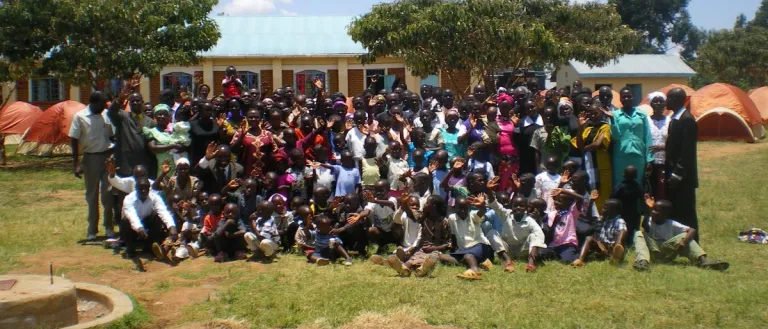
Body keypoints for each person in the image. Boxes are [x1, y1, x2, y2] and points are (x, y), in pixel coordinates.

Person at [69, 91, 116, 240]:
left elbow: (112, 135)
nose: (105, 106)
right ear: (94, 103)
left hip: (107, 156)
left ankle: (109, 227)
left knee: (108, 194)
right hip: (90, 158)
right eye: (103, 103)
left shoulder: (106, 114)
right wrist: (76, 163)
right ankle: (92, 230)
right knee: (92, 195)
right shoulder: (80, 117)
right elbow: (74, 140)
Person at [632, 199, 728, 272]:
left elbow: (692, 230)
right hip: (653, 251)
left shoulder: (672, 223)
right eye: (653, 209)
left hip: (668, 252)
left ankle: (703, 261)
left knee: (684, 236)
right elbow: (644, 225)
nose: (653, 212)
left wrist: (683, 242)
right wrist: (648, 210)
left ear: (665, 215)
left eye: (656, 210)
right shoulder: (650, 221)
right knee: (639, 233)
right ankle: (643, 261)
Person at [486, 177, 546, 273]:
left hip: (523, 251)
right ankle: (507, 261)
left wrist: (534, 251)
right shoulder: (506, 214)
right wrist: (489, 191)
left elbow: (539, 234)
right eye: (515, 205)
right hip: (507, 250)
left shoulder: (529, 220)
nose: (518, 208)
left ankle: (531, 263)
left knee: (535, 234)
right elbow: (495, 205)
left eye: (521, 206)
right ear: (511, 206)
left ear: (526, 208)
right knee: (492, 232)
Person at [121, 178, 178, 271]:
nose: (143, 191)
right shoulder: (129, 199)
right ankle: (130, 249)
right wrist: (139, 228)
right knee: (125, 220)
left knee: (156, 215)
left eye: (146, 188)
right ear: (136, 188)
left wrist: (172, 227)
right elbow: (131, 215)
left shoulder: (155, 197)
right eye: (141, 188)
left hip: (146, 223)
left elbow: (163, 212)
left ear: (149, 189)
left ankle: (148, 246)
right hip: (133, 226)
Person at [665, 88, 699, 239]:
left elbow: (687, 153)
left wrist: (677, 174)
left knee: (687, 212)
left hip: (683, 177)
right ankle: (678, 242)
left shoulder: (687, 120)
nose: (666, 101)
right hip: (673, 173)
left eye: (669, 98)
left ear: (677, 100)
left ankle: (693, 244)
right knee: (676, 211)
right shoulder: (675, 118)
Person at [387, 195, 447, 278]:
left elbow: (448, 243)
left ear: (433, 207)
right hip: (423, 249)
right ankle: (404, 269)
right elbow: (412, 213)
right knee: (414, 258)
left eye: (426, 203)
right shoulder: (423, 218)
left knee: (430, 258)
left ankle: (422, 270)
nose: (424, 205)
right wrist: (404, 205)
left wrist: (433, 248)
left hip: (435, 249)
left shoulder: (444, 222)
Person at [610, 87, 653, 187]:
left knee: (638, 184)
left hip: (638, 156)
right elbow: (615, 137)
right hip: (621, 155)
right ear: (620, 99)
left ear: (633, 97)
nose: (626, 99)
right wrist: (612, 121)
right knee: (620, 184)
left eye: (629, 96)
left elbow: (647, 137)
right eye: (624, 97)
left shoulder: (641, 115)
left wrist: (649, 158)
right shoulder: (615, 115)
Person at [445, 195, 494, 281]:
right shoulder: (452, 218)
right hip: (463, 250)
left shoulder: (473, 215)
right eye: (460, 208)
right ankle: (477, 262)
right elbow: (453, 235)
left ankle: (475, 270)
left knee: (468, 256)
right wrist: (453, 249)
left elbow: (481, 212)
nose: (463, 211)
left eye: (465, 208)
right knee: (442, 257)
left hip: (481, 246)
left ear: (470, 208)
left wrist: (482, 206)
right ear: (454, 208)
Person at [575, 102, 612, 210]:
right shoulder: (587, 129)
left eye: (595, 113)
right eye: (590, 114)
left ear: (602, 113)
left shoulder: (606, 127)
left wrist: (585, 148)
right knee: (590, 191)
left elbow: (598, 144)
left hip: (602, 166)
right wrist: (580, 128)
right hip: (588, 166)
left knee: (602, 192)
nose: (592, 116)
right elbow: (579, 145)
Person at [571, 198, 627, 267]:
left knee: (619, 233)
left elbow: (623, 230)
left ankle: (617, 252)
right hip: (602, 247)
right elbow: (590, 217)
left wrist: (618, 243)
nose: (602, 209)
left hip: (612, 247)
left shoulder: (619, 221)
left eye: (605, 208)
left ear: (613, 211)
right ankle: (580, 260)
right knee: (589, 239)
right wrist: (591, 202)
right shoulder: (603, 219)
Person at [144, 104, 187, 177]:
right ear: (155, 116)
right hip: (164, 167)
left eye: (165, 114)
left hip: (180, 167)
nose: (162, 117)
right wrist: (173, 146)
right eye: (159, 114)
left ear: (169, 117)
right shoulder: (152, 132)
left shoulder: (176, 128)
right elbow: (153, 148)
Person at [531, 107, 571, 172]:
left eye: (552, 116)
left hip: (559, 169)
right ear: (543, 118)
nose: (549, 119)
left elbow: (564, 149)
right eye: (547, 116)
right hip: (544, 168)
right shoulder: (538, 132)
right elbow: (537, 152)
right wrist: (538, 168)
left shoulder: (562, 131)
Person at [646, 92, 670, 199]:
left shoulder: (670, 121)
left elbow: (673, 141)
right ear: (651, 104)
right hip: (650, 160)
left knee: (663, 188)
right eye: (655, 101)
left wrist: (661, 147)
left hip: (665, 160)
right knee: (650, 188)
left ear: (665, 104)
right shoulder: (646, 120)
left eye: (661, 101)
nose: (658, 104)